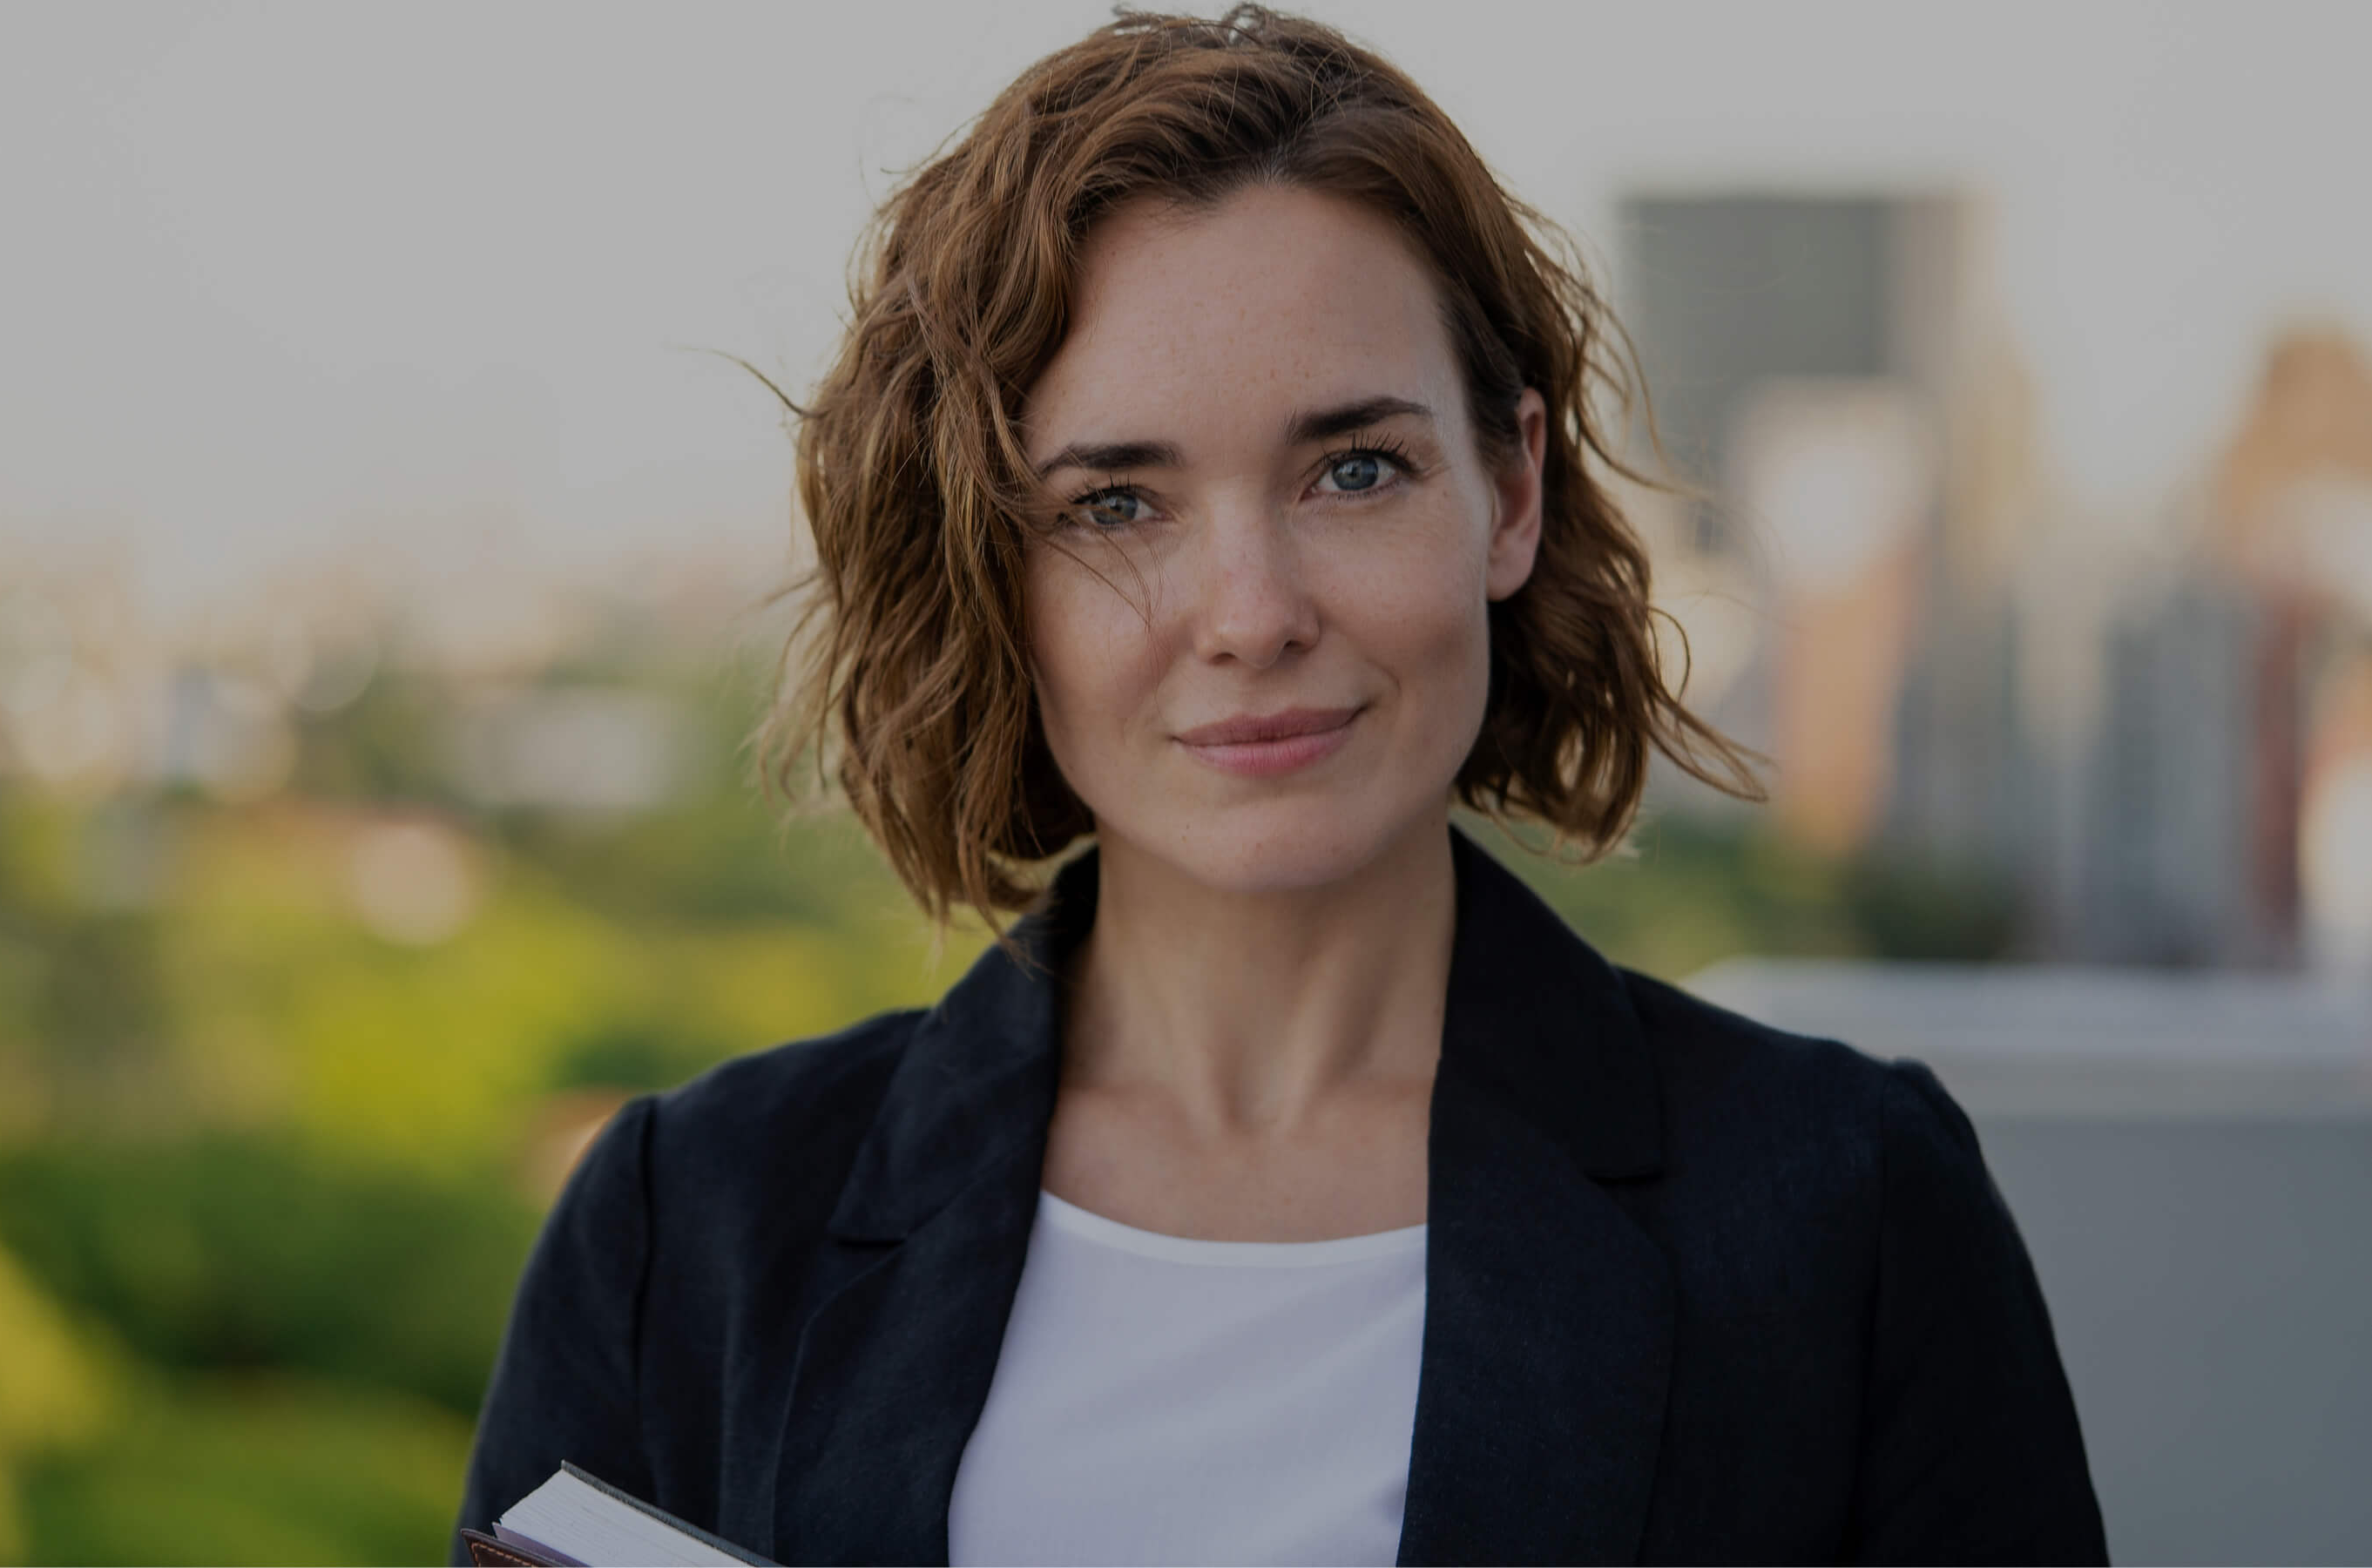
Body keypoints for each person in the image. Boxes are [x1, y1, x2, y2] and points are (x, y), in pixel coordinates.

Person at [454, 8, 2107, 1564]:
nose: (1251, 615)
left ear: (1509, 489)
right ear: (989, 568)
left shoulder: (1846, 1213)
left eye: (1355, 470)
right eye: (1115, 504)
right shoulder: (694, 1226)